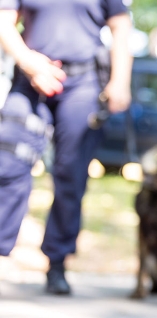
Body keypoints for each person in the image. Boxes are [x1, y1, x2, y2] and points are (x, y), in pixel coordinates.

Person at [0, 0, 132, 294]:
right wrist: (28, 62)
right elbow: (4, 20)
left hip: (84, 81)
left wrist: (120, 81)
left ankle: (57, 261)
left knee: (70, 174)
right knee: (7, 165)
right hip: (31, 76)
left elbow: (121, 27)